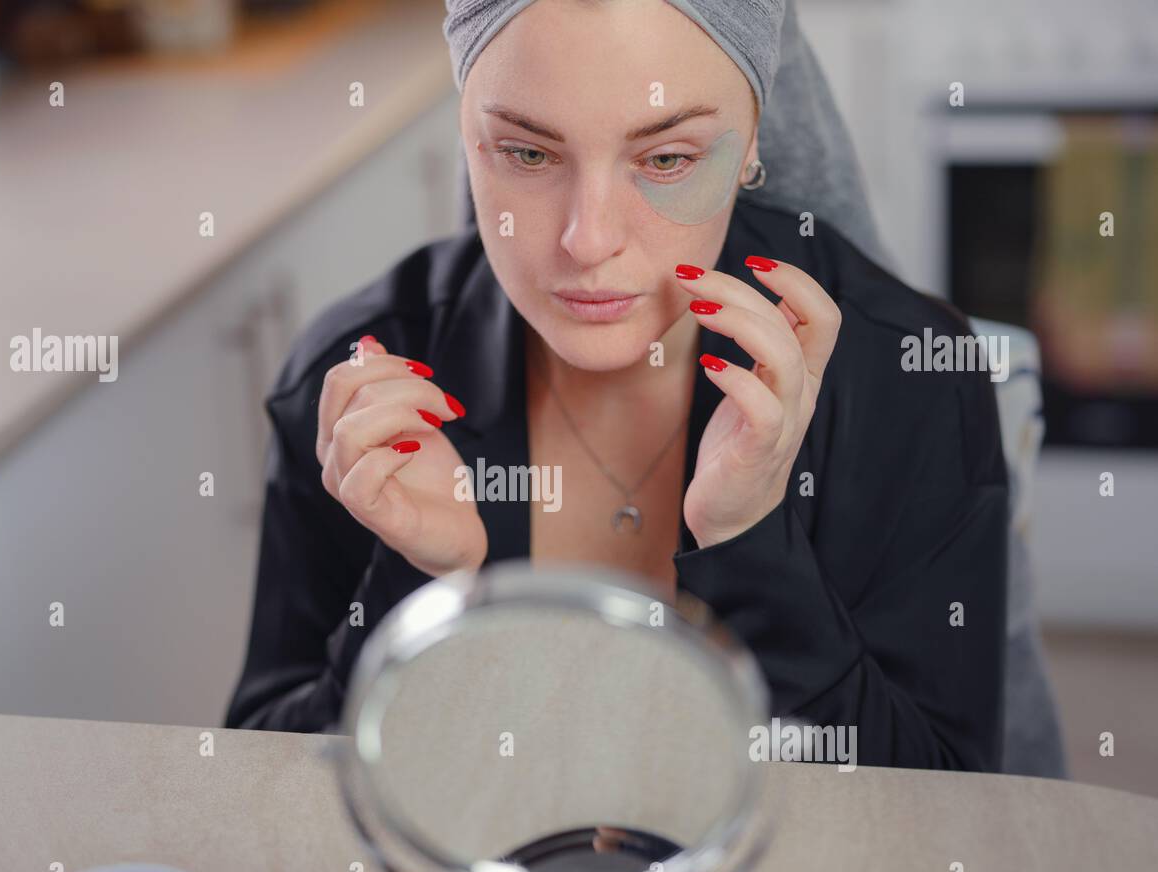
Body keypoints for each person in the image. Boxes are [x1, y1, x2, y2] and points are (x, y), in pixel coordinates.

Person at [225, 0, 1009, 772]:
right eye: (528, 154)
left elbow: (943, 824)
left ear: (752, 146)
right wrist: (419, 591)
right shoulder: (365, 392)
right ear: (465, 134)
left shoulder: (911, 377)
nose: (590, 240)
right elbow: (259, 791)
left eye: (667, 158)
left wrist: (754, 546)